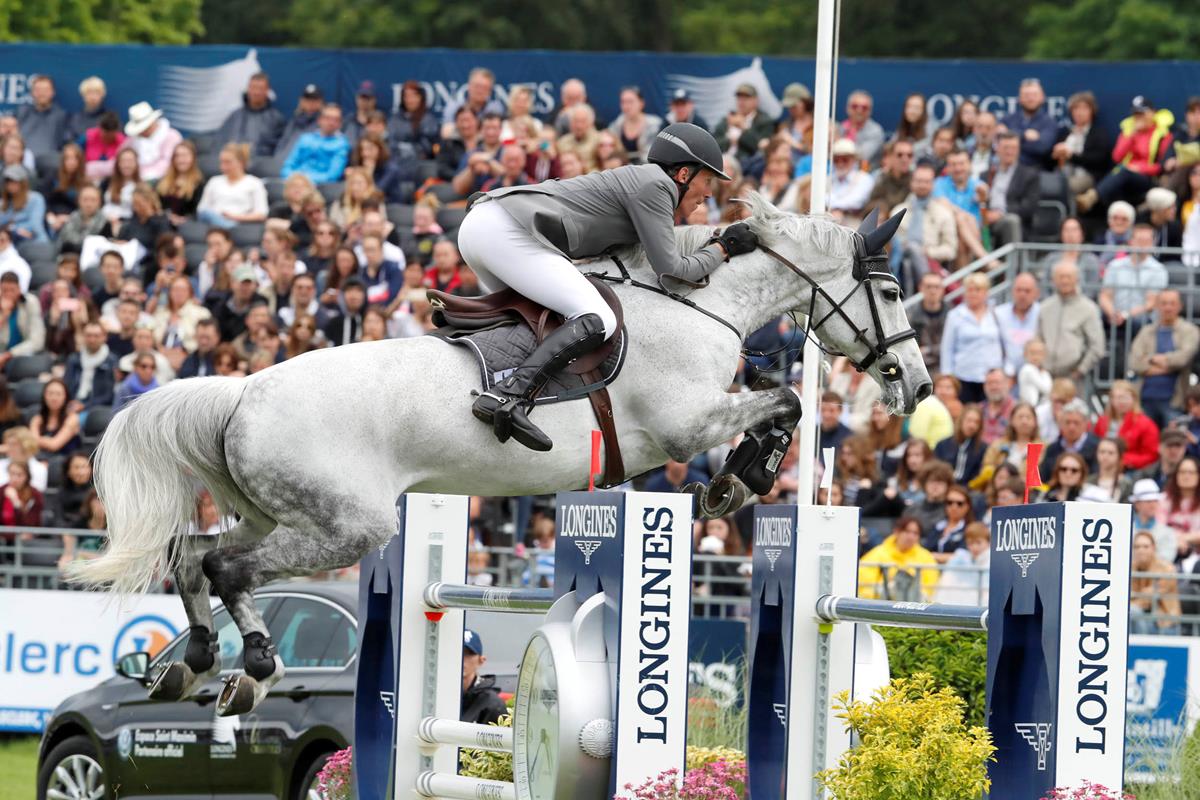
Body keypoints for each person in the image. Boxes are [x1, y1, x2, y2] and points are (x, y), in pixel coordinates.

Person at [458, 123, 754, 452]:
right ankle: (509, 396)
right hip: (507, 232)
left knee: (540, 319)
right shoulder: (657, 185)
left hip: (487, 227)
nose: (709, 193)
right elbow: (672, 273)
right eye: (708, 180)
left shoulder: (641, 183)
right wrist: (722, 249)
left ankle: (491, 382)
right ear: (684, 174)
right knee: (599, 317)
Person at [1087, 96, 1174, 211]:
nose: (1139, 118)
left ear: (1153, 113)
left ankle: (1092, 196)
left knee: (1123, 173)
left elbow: (1161, 166)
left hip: (1149, 177)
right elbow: (1117, 157)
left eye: (1142, 113)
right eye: (1136, 114)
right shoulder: (1129, 130)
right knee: (1119, 177)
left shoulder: (1163, 135)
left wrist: (1139, 168)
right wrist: (1132, 135)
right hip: (1126, 174)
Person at [1130, 289, 1199, 428]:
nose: (1168, 308)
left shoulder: (1189, 330)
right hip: (1144, 400)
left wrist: (1149, 361)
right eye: (1164, 303)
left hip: (1174, 401)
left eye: (1172, 303)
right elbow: (1134, 362)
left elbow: (1183, 359)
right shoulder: (1146, 331)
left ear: (1180, 306)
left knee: (1173, 442)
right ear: (1157, 306)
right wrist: (1169, 366)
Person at [940, 273, 1004, 403]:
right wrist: (948, 376)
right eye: (970, 290)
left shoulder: (996, 313)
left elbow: (1004, 344)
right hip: (963, 376)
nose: (973, 294)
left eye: (978, 290)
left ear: (986, 292)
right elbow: (947, 348)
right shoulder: (955, 315)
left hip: (991, 378)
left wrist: (1005, 370)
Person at [1037, 261, 1105, 381]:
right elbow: (1038, 339)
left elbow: (1097, 346)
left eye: (1068, 277)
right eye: (1060, 277)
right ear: (1053, 280)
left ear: (1077, 279)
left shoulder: (1088, 308)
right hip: (1045, 376)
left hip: (1074, 377)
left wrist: (1080, 371)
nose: (1064, 281)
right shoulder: (1045, 307)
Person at [858, 516, 940, 601]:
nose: (911, 537)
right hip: (883, 604)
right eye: (907, 531)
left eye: (916, 533)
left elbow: (930, 588)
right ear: (896, 532)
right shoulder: (879, 553)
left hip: (915, 605)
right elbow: (865, 584)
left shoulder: (926, 557)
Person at [982, 131, 1041, 248]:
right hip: (985, 220)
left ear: (1019, 150)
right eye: (1005, 148)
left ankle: (1014, 265)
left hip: (1012, 221)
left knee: (1011, 221)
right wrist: (985, 215)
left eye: (1013, 148)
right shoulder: (985, 175)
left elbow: (1029, 208)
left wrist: (1000, 213)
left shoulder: (1029, 175)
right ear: (997, 149)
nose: (1009, 152)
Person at [1052, 91, 1112, 203]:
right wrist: (1055, 154)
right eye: (1076, 109)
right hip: (1062, 173)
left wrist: (1071, 155)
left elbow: (1099, 159)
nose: (1080, 113)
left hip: (1088, 175)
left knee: (1066, 186)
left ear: (1092, 111)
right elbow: (1049, 159)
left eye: (1084, 108)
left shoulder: (1098, 133)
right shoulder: (1065, 133)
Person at [196, 143, 269, 230]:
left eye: (228, 162)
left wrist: (235, 217)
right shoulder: (214, 181)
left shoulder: (255, 183)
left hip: (240, 224)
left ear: (241, 163)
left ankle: (230, 227)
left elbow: (261, 214)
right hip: (213, 224)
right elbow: (202, 209)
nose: (223, 167)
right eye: (221, 162)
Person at [1094, 379, 1161, 470]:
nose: (1121, 401)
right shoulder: (1102, 421)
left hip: (1131, 470)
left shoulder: (1145, 423)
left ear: (1134, 399)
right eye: (1117, 398)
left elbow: (1152, 455)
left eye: (1124, 397)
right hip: (1103, 467)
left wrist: (1124, 460)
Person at [215, 72, 285, 156]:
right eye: (253, 87)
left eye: (260, 88)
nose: (256, 92)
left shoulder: (276, 119)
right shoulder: (235, 116)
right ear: (248, 89)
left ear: (267, 91)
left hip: (259, 166)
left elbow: (279, 150)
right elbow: (219, 143)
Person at [281, 104, 350, 185]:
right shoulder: (305, 138)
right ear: (319, 120)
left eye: (336, 120)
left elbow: (332, 176)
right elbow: (286, 168)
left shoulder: (342, 144)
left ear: (340, 124)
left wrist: (304, 179)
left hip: (321, 187)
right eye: (327, 118)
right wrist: (297, 179)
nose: (331, 123)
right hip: (295, 183)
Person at [998, 78, 1058, 170]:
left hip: (1035, 172)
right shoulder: (1007, 119)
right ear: (1019, 98)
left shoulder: (1049, 123)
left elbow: (1042, 148)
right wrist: (1024, 135)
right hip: (1006, 170)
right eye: (1026, 95)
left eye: (1034, 95)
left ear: (1042, 97)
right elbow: (998, 142)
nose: (1030, 98)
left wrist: (1010, 138)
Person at [1130, 530, 1181, 635]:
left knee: (1132, 611)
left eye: (1145, 546)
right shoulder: (1131, 568)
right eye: (1137, 547)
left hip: (1165, 622)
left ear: (1153, 548)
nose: (1141, 550)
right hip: (1142, 617)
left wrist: (1131, 602)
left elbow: (1148, 598)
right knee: (1131, 613)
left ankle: (1141, 646)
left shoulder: (1167, 569)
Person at [714, 83, 776, 167]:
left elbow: (759, 148)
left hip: (746, 165)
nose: (742, 101)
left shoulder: (765, 121)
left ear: (756, 100)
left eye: (746, 98)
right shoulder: (727, 120)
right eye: (739, 98)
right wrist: (730, 140)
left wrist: (744, 128)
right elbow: (714, 146)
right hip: (721, 162)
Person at [993, 272, 1040, 376]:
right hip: (1006, 374)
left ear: (1036, 293)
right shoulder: (999, 314)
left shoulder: (1042, 313)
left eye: (1027, 291)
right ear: (1012, 291)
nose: (1022, 295)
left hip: (1034, 374)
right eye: (1019, 290)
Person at [64, 321, 117, 412]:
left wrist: (84, 405)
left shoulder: (111, 362)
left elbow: (109, 395)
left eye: (96, 336)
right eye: (88, 335)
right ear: (83, 337)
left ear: (104, 337)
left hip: (95, 409)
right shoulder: (73, 359)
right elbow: (66, 384)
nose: (92, 340)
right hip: (72, 403)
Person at [123, 102, 181, 182]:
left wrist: (141, 175)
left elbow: (166, 163)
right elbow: (119, 158)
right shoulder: (132, 140)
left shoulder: (172, 136)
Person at [936, 522, 990, 605]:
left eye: (978, 542)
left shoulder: (991, 561)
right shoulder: (963, 558)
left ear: (988, 542)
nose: (974, 547)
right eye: (970, 543)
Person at [460, 629, 507, 725]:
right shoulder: (436, 695)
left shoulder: (492, 704)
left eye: (468, 653)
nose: (461, 657)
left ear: (481, 660)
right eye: (457, 651)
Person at [934, 404, 987, 485]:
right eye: (969, 420)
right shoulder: (942, 445)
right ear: (961, 420)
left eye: (976, 422)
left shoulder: (983, 448)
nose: (972, 425)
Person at [607, 86, 662, 164]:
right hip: (620, 171)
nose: (626, 106)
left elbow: (652, 157)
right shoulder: (615, 126)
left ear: (641, 103)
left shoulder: (655, 125)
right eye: (623, 102)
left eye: (630, 102)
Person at [17, 75, 69, 157]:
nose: (41, 93)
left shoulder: (61, 116)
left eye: (45, 90)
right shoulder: (22, 112)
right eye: (38, 90)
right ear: (32, 92)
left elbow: (66, 144)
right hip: (22, 161)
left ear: (53, 92)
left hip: (50, 163)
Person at [907, 272, 948, 374]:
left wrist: (927, 350)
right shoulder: (910, 316)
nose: (933, 291)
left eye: (936, 287)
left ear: (942, 289)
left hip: (946, 369)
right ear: (920, 288)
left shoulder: (952, 315)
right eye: (928, 286)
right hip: (919, 369)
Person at [389, 80, 439, 160]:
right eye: (406, 96)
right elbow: (390, 140)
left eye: (413, 96)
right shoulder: (395, 119)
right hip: (396, 161)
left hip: (419, 163)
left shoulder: (428, 120)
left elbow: (428, 145)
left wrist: (410, 150)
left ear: (420, 98)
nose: (410, 100)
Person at [827, 138, 874, 222]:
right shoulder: (828, 178)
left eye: (845, 160)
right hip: (828, 218)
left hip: (853, 221)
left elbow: (857, 201)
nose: (840, 163)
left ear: (854, 160)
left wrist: (835, 207)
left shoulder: (864, 178)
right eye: (836, 160)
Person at [31, 378, 81, 456]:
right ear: (44, 396)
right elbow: (31, 444)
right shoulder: (37, 419)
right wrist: (46, 441)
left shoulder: (72, 419)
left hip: (65, 463)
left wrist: (38, 440)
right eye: (50, 393)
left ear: (66, 397)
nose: (54, 398)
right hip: (41, 461)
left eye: (58, 394)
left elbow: (54, 445)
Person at [837, 90, 885, 169]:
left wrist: (837, 142)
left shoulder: (875, 131)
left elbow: (862, 156)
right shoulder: (841, 127)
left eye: (864, 108)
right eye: (855, 106)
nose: (859, 111)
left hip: (867, 174)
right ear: (847, 108)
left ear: (870, 111)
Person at [927, 484, 974, 564]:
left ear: (967, 506)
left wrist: (933, 556)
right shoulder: (938, 527)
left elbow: (964, 556)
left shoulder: (970, 529)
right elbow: (926, 549)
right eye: (949, 502)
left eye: (959, 503)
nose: (954, 507)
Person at [0, 165, 47, 243]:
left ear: (23, 182)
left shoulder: (36, 198)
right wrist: (14, 229)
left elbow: (35, 224)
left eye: (14, 181)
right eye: (8, 181)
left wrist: (14, 227)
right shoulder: (3, 203)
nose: (11, 184)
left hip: (34, 240)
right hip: (9, 242)